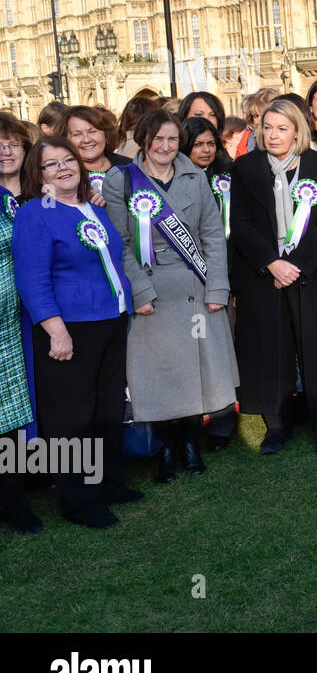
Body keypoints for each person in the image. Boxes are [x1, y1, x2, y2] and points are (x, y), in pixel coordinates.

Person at [103, 111, 238, 483]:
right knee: (159, 375)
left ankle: (190, 445)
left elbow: (212, 235)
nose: (165, 147)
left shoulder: (195, 177)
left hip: (194, 287)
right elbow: (121, 243)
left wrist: (218, 288)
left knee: (196, 373)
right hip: (151, 292)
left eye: (172, 140)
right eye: (157, 139)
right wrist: (140, 291)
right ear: (144, 140)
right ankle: (163, 449)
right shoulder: (122, 181)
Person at [13, 136, 141, 528]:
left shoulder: (92, 206)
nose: (63, 168)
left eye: (68, 160)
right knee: (72, 418)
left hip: (110, 319)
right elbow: (32, 280)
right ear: (38, 174)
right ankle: (80, 500)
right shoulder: (36, 213)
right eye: (51, 165)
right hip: (69, 329)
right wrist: (56, 330)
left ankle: (109, 483)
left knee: (106, 410)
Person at [228, 98, 317, 454]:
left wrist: (295, 265)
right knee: (269, 348)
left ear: (297, 130)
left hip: (309, 273)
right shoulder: (245, 168)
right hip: (264, 276)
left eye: (282, 128)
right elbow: (241, 224)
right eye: (267, 127)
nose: (273, 135)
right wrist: (272, 263)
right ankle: (277, 426)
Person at [181, 115, 239, 449]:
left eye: (210, 144)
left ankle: (222, 419)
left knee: (222, 347)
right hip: (187, 277)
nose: (205, 150)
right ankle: (192, 416)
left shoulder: (227, 175)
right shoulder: (174, 180)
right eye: (198, 145)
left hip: (224, 273)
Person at [0, 113, 38, 533]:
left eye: (11, 143)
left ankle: (26, 485)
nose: (4, 151)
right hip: (2, 321)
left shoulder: (39, 193)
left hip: (35, 317)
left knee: (20, 407)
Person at [234, 87, 280, 158]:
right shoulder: (249, 137)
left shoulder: (286, 136)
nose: (258, 121)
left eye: (263, 115)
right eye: (255, 116)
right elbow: (238, 161)